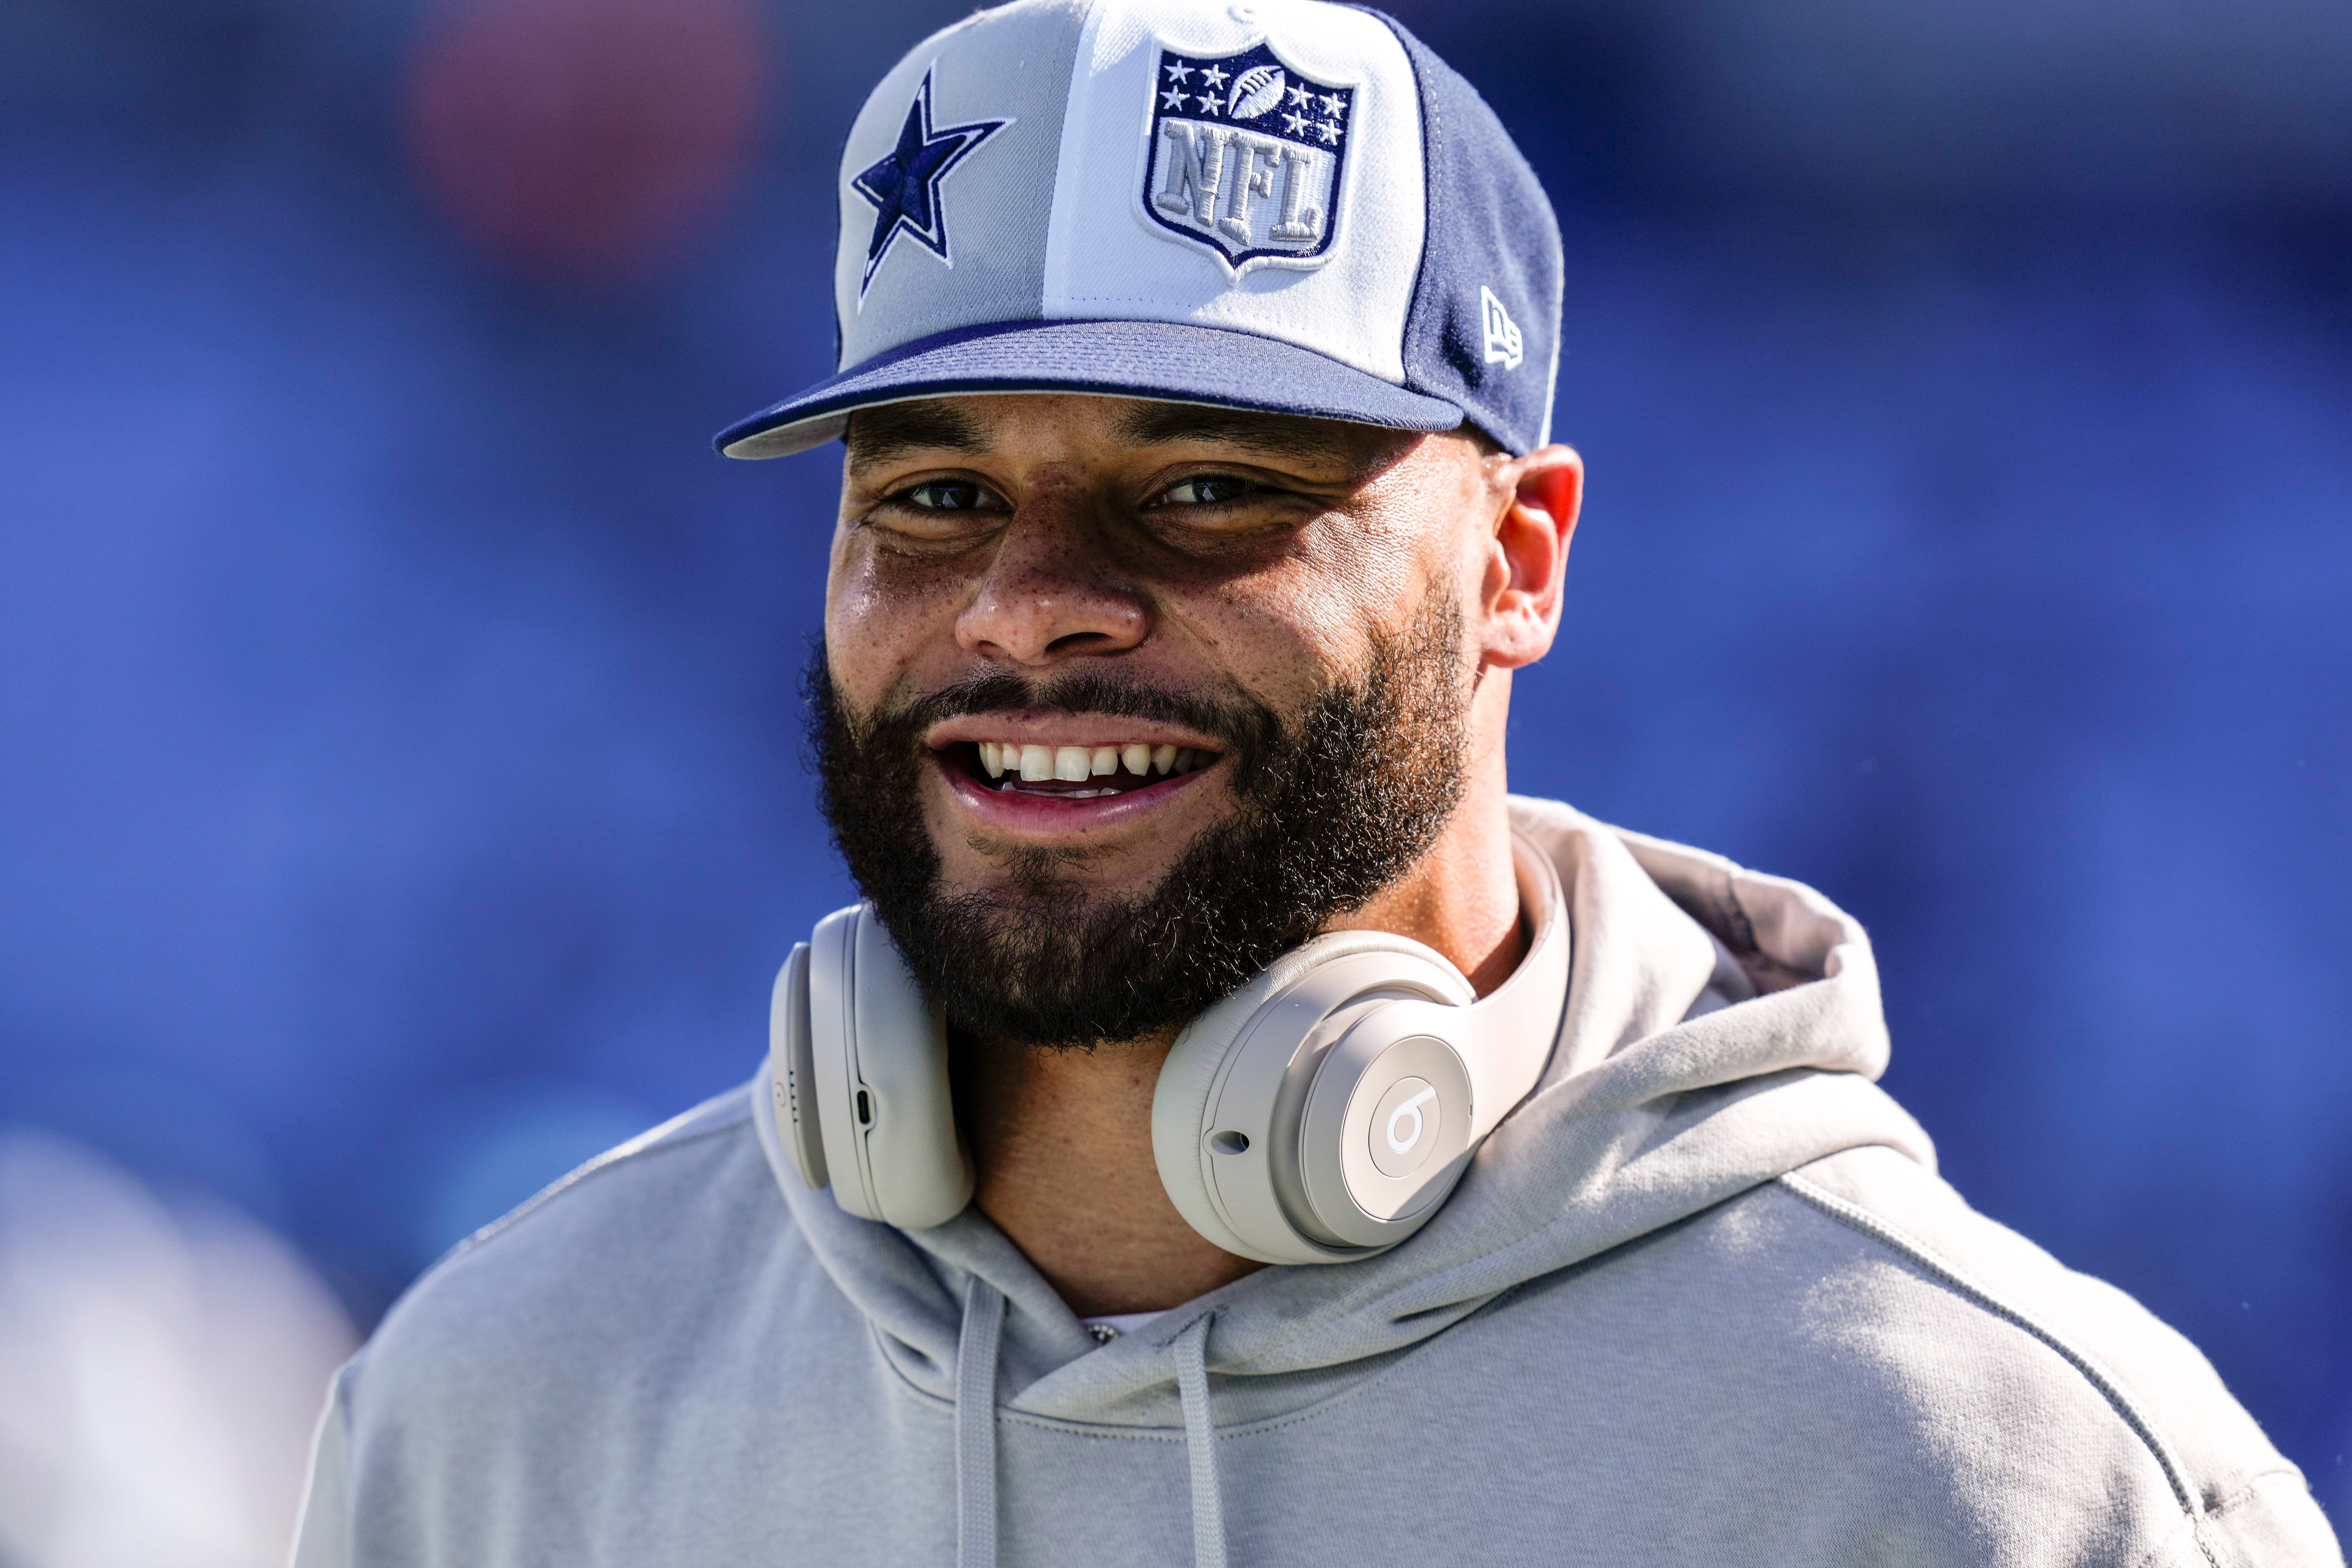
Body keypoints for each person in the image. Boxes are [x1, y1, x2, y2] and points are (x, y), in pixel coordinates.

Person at [290, 1, 2341, 1563]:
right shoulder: (508, 1409)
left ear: (1518, 560)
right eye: (932, 493)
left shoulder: (1993, 1476)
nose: (1030, 606)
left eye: (1205, 489)